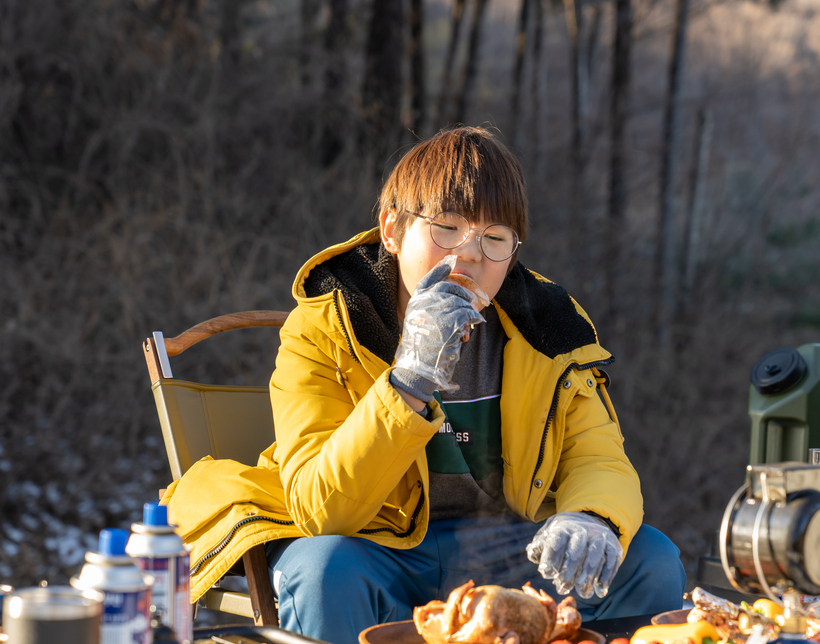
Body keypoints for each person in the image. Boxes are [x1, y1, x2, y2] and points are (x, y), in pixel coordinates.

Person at [162, 126, 686, 644]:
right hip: (374, 544)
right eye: (447, 228)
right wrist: (409, 378)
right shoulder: (325, 324)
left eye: (495, 238)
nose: (471, 254)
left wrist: (592, 517)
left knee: (649, 559)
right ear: (392, 230)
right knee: (324, 571)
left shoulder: (551, 327)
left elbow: (597, 455)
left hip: (502, 544)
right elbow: (323, 509)